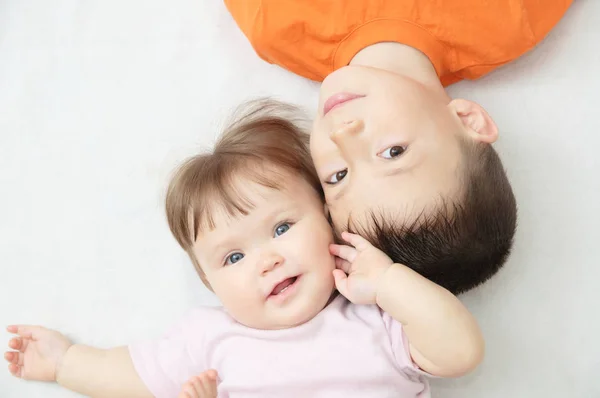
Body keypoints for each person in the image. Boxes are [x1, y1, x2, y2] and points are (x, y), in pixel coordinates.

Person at [5, 101, 483, 398]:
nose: (267, 260)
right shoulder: (210, 339)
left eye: (281, 228)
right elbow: (128, 375)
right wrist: (66, 363)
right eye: (233, 258)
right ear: (208, 283)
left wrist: (388, 282)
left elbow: (460, 350)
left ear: (328, 218)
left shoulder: (375, 316)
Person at [223, 0, 573, 293]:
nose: (342, 135)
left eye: (338, 176)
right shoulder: (511, 17)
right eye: (393, 152)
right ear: (469, 121)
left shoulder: (275, 24)